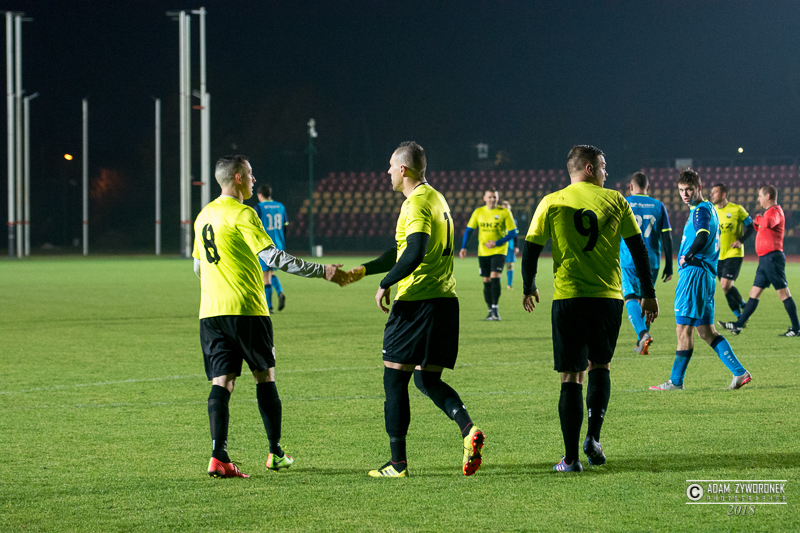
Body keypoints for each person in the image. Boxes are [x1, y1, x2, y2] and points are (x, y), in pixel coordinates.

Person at [193, 155, 348, 478]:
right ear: (237, 177)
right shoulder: (243, 213)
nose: (254, 179)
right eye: (250, 174)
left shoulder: (203, 215)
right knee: (264, 376)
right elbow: (274, 258)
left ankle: (218, 455)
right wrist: (323, 271)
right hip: (247, 310)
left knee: (222, 382)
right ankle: (275, 453)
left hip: (211, 313)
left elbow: (198, 267)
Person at [347, 141, 484, 478]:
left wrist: (385, 283)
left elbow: (415, 251)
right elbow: (401, 250)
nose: (387, 172)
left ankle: (397, 464)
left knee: (395, 380)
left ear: (403, 169)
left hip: (415, 304)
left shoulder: (416, 204)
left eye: (391, 166)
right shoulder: (437, 198)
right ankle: (469, 430)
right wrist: (365, 270)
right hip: (445, 302)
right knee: (427, 378)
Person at [522, 145, 659, 473]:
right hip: (608, 298)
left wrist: (528, 285)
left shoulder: (552, 201)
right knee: (600, 366)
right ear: (588, 168)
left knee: (571, 375)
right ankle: (593, 438)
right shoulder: (616, 200)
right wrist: (648, 293)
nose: (606, 172)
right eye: (603, 166)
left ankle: (570, 460)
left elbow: (530, 249)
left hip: (569, 298)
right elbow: (638, 249)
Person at [649, 169, 751, 392]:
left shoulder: (701, 211)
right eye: (681, 190)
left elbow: (703, 236)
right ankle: (739, 372)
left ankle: (676, 382)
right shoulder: (708, 209)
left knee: (683, 329)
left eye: (689, 190)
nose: (685, 194)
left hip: (694, 276)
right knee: (706, 331)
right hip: (706, 277)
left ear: (699, 188)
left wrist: (687, 255)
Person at [719, 185, 800, 336]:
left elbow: (768, 223)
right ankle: (738, 325)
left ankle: (796, 328)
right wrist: (759, 222)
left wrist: (757, 219)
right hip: (765, 260)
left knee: (783, 293)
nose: (758, 199)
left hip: (772, 258)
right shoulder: (768, 213)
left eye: (760, 196)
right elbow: (762, 227)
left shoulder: (775, 211)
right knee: (754, 293)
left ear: (768, 196)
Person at [620, 172, 674, 355]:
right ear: (648, 187)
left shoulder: (624, 203)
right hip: (652, 261)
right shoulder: (658, 205)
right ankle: (641, 343)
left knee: (631, 297)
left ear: (630, 187)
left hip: (629, 258)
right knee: (647, 297)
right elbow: (667, 236)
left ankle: (643, 334)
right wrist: (669, 264)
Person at [459, 189, 517, 320]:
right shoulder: (478, 212)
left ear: (497, 198)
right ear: (484, 198)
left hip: (499, 251)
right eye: (490, 197)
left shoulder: (505, 212)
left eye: (494, 197)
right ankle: (490, 310)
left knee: (495, 277)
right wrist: (463, 247)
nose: (492, 200)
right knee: (486, 281)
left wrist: (497, 243)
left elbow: (513, 233)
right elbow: (469, 230)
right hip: (483, 252)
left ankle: (495, 310)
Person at [710, 183, 754, 318]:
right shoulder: (712, 211)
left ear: (723, 194)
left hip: (733, 253)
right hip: (718, 255)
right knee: (726, 288)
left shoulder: (737, 209)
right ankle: (740, 315)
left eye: (715, 192)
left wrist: (741, 241)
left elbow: (751, 226)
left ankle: (743, 307)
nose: (711, 195)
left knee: (725, 285)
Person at [254, 185, 289, 312]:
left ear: (260, 195)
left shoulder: (258, 208)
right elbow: (285, 226)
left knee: (265, 276)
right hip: (278, 246)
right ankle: (280, 292)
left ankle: (269, 306)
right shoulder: (280, 206)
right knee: (271, 273)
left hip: (264, 245)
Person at [501, 200, 520, 290]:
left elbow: (516, 234)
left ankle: (509, 285)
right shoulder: (496, 220)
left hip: (510, 245)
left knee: (510, 265)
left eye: (508, 209)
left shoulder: (513, 221)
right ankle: (497, 284)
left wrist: (516, 246)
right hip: (499, 245)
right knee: (498, 266)